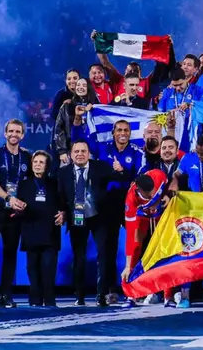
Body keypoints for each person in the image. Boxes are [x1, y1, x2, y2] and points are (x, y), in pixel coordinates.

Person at [57, 140, 114, 307]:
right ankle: (79, 295)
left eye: (83, 151)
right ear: (71, 154)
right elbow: (60, 196)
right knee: (79, 257)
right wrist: (63, 212)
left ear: (89, 153)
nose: (80, 154)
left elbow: (119, 179)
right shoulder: (63, 173)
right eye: (76, 151)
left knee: (103, 255)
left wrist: (120, 170)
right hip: (77, 217)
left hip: (99, 216)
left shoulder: (101, 167)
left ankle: (101, 294)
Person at [0, 119, 31, 309]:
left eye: (18, 131)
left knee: (10, 254)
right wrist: (8, 198)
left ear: (22, 135)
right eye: (11, 131)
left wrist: (22, 202)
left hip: (15, 214)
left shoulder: (26, 157)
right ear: (5, 133)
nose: (14, 134)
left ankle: (6, 295)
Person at [97, 120, 143, 304]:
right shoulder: (103, 150)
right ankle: (110, 290)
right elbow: (100, 174)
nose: (123, 133)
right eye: (119, 130)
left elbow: (140, 178)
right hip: (109, 203)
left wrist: (122, 172)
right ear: (113, 133)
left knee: (137, 244)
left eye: (126, 130)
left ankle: (138, 287)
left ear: (130, 134)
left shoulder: (137, 152)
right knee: (109, 248)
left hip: (131, 202)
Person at [17, 151, 63, 308]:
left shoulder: (55, 183)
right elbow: (18, 206)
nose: (37, 164)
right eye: (35, 161)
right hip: (31, 231)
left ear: (47, 165)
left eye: (41, 162)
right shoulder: (24, 184)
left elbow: (63, 204)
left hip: (50, 233)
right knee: (32, 269)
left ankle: (50, 300)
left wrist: (63, 213)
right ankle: (35, 300)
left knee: (49, 269)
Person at [121, 170, 171, 308]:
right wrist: (127, 265)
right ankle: (131, 295)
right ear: (138, 190)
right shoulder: (131, 200)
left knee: (165, 247)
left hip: (161, 214)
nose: (151, 195)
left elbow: (171, 182)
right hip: (141, 216)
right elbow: (131, 236)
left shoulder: (159, 176)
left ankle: (169, 295)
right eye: (148, 194)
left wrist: (166, 194)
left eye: (153, 191)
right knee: (136, 245)